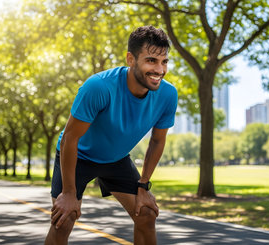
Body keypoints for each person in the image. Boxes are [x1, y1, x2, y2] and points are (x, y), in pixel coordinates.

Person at [44, 25, 177, 245]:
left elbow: (157, 140)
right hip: (78, 156)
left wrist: (143, 185)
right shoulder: (99, 87)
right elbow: (70, 138)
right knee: (64, 219)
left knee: (146, 213)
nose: (160, 70)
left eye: (164, 62)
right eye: (151, 61)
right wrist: (69, 192)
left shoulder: (168, 95)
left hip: (116, 159)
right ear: (130, 59)